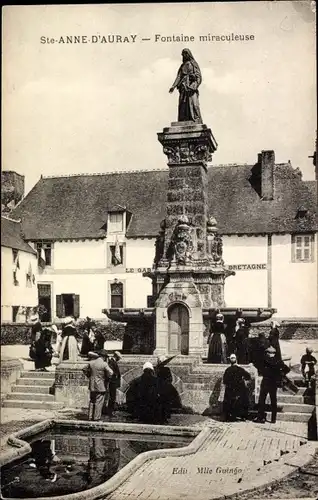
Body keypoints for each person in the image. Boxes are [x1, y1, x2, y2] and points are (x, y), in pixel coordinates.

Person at [254, 346, 290, 424]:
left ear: (268, 353)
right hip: (274, 383)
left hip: (265, 382)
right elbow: (287, 369)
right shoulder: (278, 361)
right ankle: (273, 419)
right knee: (274, 400)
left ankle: (260, 418)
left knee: (262, 399)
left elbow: (258, 367)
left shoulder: (264, 360)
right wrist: (280, 374)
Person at [169, 48, 203, 123]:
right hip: (183, 87)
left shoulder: (194, 64)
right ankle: (183, 120)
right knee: (182, 104)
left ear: (188, 54)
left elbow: (199, 76)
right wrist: (173, 86)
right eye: (183, 54)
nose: (184, 56)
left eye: (185, 54)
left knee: (194, 104)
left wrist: (195, 84)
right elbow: (178, 77)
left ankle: (196, 119)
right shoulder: (182, 66)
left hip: (191, 87)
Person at [82, 349, 113, 421]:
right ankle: (96, 417)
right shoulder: (104, 364)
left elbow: (84, 369)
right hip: (101, 385)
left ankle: (90, 417)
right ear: (104, 357)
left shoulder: (91, 362)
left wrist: (89, 376)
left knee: (92, 400)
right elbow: (111, 372)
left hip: (92, 384)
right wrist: (106, 377)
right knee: (99, 401)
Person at [222, 354, 251, 421]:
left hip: (230, 390)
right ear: (236, 360)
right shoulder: (240, 369)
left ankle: (229, 416)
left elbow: (225, 381)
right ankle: (243, 416)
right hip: (239, 390)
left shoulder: (227, 370)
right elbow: (248, 376)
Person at [107, 351, 122, 417]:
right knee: (112, 397)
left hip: (113, 382)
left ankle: (111, 411)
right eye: (118, 358)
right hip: (112, 382)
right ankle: (110, 412)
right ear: (116, 357)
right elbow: (112, 373)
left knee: (112, 397)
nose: (119, 360)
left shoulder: (112, 362)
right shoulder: (112, 362)